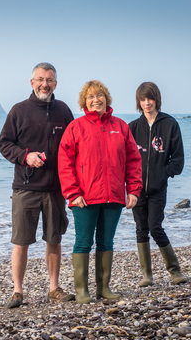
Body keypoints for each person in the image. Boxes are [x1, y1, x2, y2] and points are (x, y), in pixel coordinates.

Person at [0, 62, 75, 308]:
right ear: (32, 83)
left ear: (55, 83)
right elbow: (4, 143)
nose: (45, 84)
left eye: (49, 80)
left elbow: (75, 146)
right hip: (25, 187)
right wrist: (25, 156)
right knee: (21, 241)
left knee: (54, 239)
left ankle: (54, 289)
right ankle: (18, 292)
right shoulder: (19, 110)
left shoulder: (63, 110)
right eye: (40, 79)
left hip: (55, 189)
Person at [58, 80, 142, 303]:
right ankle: (82, 291)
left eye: (100, 95)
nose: (96, 100)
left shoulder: (121, 126)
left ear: (107, 99)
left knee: (106, 243)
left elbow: (134, 159)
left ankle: (103, 288)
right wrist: (73, 193)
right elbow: (64, 162)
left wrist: (133, 190)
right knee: (83, 242)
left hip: (113, 197)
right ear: (84, 102)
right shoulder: (76, 127)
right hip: (84, 198)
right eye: (90, 97)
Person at [128, 82, 187, 286]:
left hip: (158, 189)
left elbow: (178, 160)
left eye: (150, 99)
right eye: (143, 99)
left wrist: (163, 174)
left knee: (155, 227)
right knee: (140, 228)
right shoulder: (133, 127)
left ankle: (174, 270)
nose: (147, 103)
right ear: (138, 102)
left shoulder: (170, 124)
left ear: (157, 99)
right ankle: (147, 276)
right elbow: (124, 158)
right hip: (136, 190)